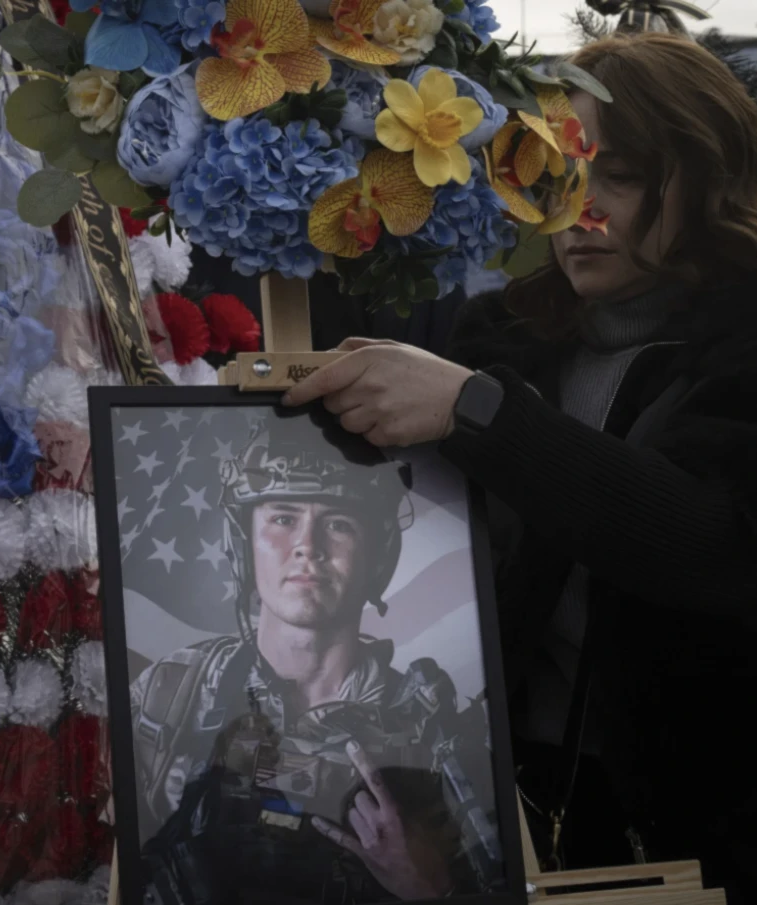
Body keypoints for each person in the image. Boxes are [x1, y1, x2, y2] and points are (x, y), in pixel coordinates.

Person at [283, 31, 757, 905]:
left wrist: (479, 414)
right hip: (496, 817)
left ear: (709, 172)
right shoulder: (500, 337)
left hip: (703, 833)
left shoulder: (739, 345)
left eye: (615, 176)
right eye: (557, 177)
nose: (580, 211)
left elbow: (713, 544)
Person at [130, 412, 504, 904]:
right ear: (244, 544)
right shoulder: (172, 693)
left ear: (378, 554)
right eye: (284, 517)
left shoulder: (434, 734)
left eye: (339, 522)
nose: (308, 547)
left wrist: (429, 889)